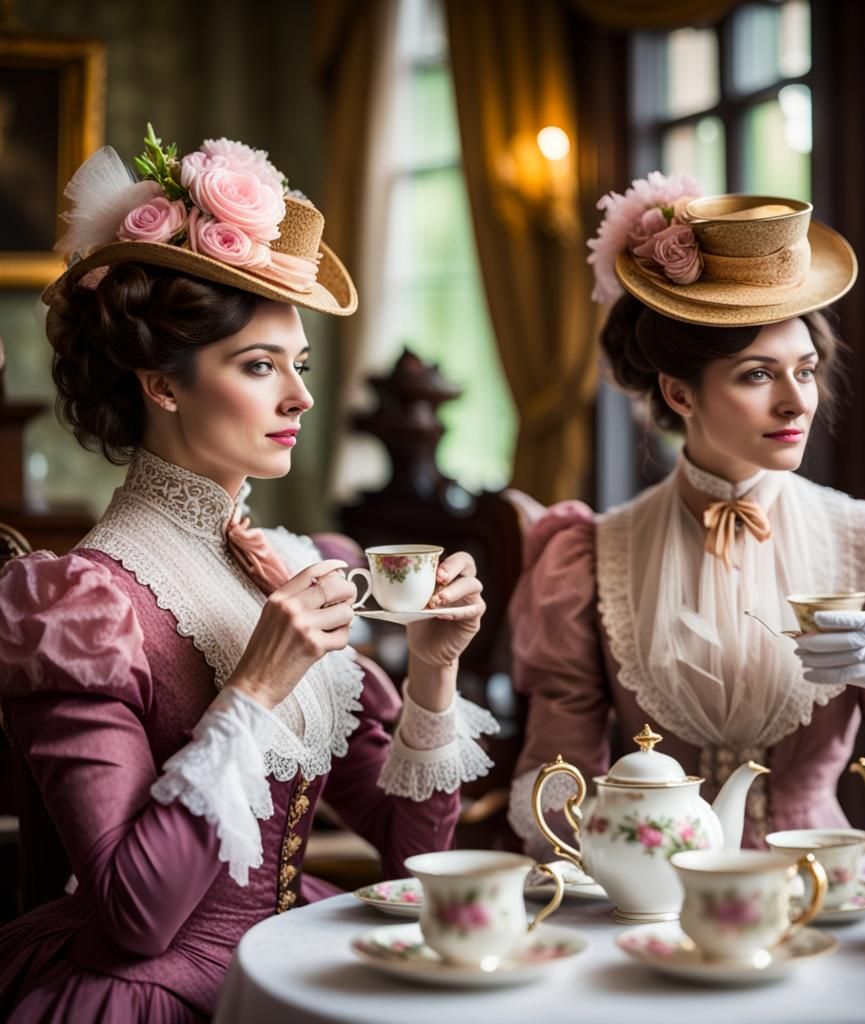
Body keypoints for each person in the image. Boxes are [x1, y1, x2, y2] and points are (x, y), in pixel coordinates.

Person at [0, 129, 494, 1022]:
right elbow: (135, 915)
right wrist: (257, 685)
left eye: (297, 366)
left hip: (289, 966)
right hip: (150, 996)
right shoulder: (81, 606)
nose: (300, 397)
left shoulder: (299, 568)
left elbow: (409, 849)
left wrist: (434, 667)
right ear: (163, 384)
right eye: (260, 367)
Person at [508, 172, 865, 857]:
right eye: (757, 374)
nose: (796, 402)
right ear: (679, 393)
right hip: (653, 902)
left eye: (805, 370)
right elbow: (556, 786)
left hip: (830, 896)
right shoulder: (591, 555)